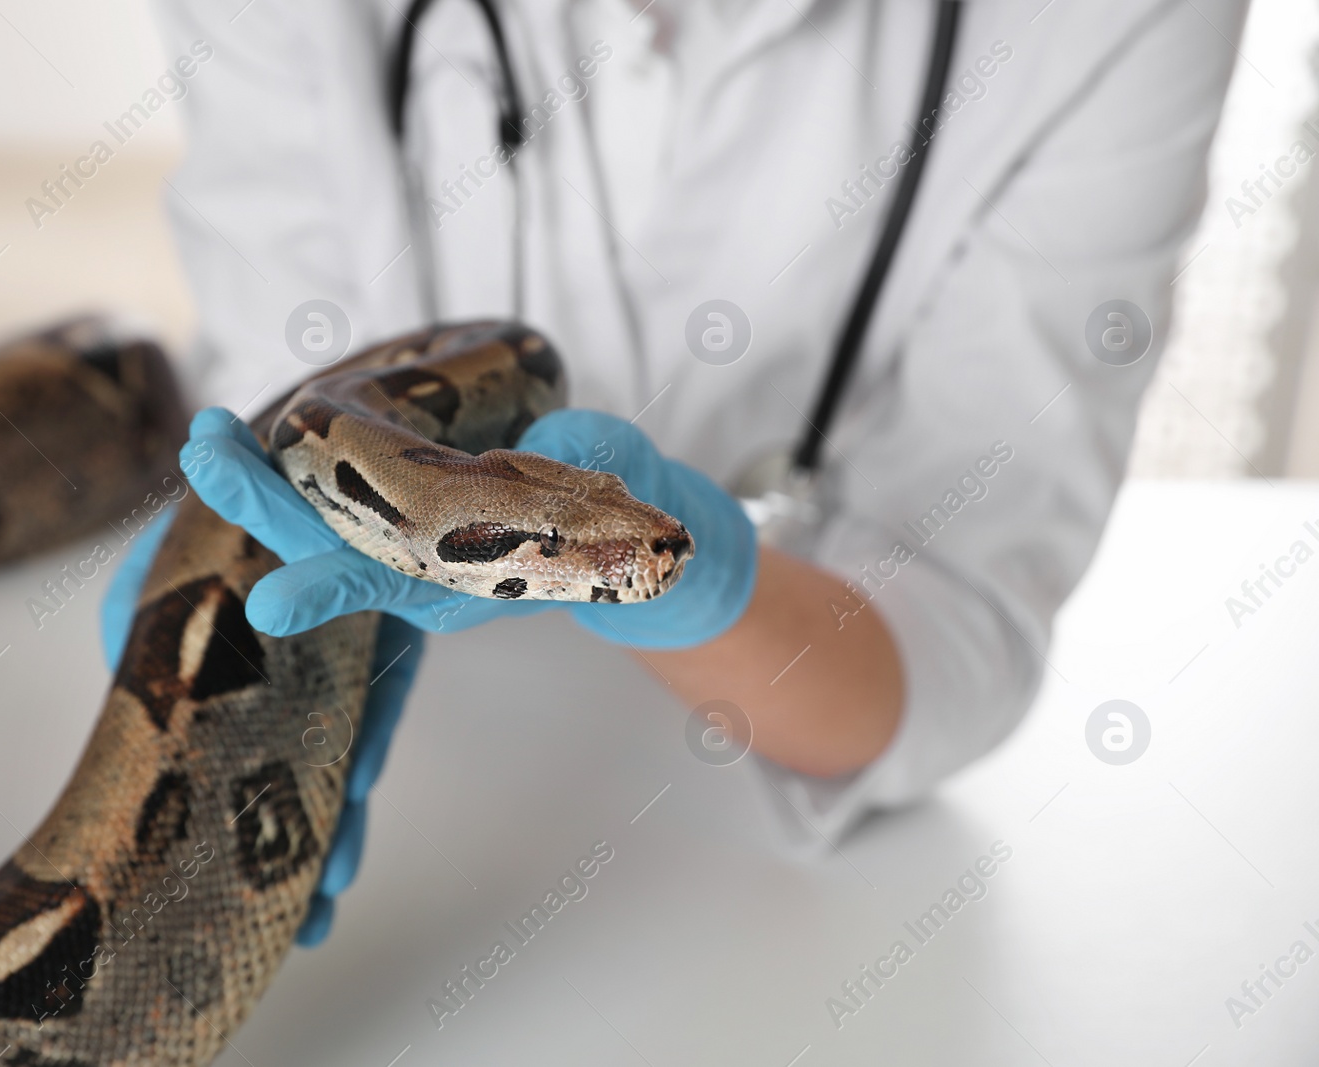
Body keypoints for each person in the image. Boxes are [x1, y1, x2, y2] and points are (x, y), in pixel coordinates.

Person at [104, 0, 1244, 942]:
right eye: (562, 540)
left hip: (714, 853)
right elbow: (279, 375)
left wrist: (718, 590)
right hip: (468, 816)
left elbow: (964, 623)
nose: (628, 542)